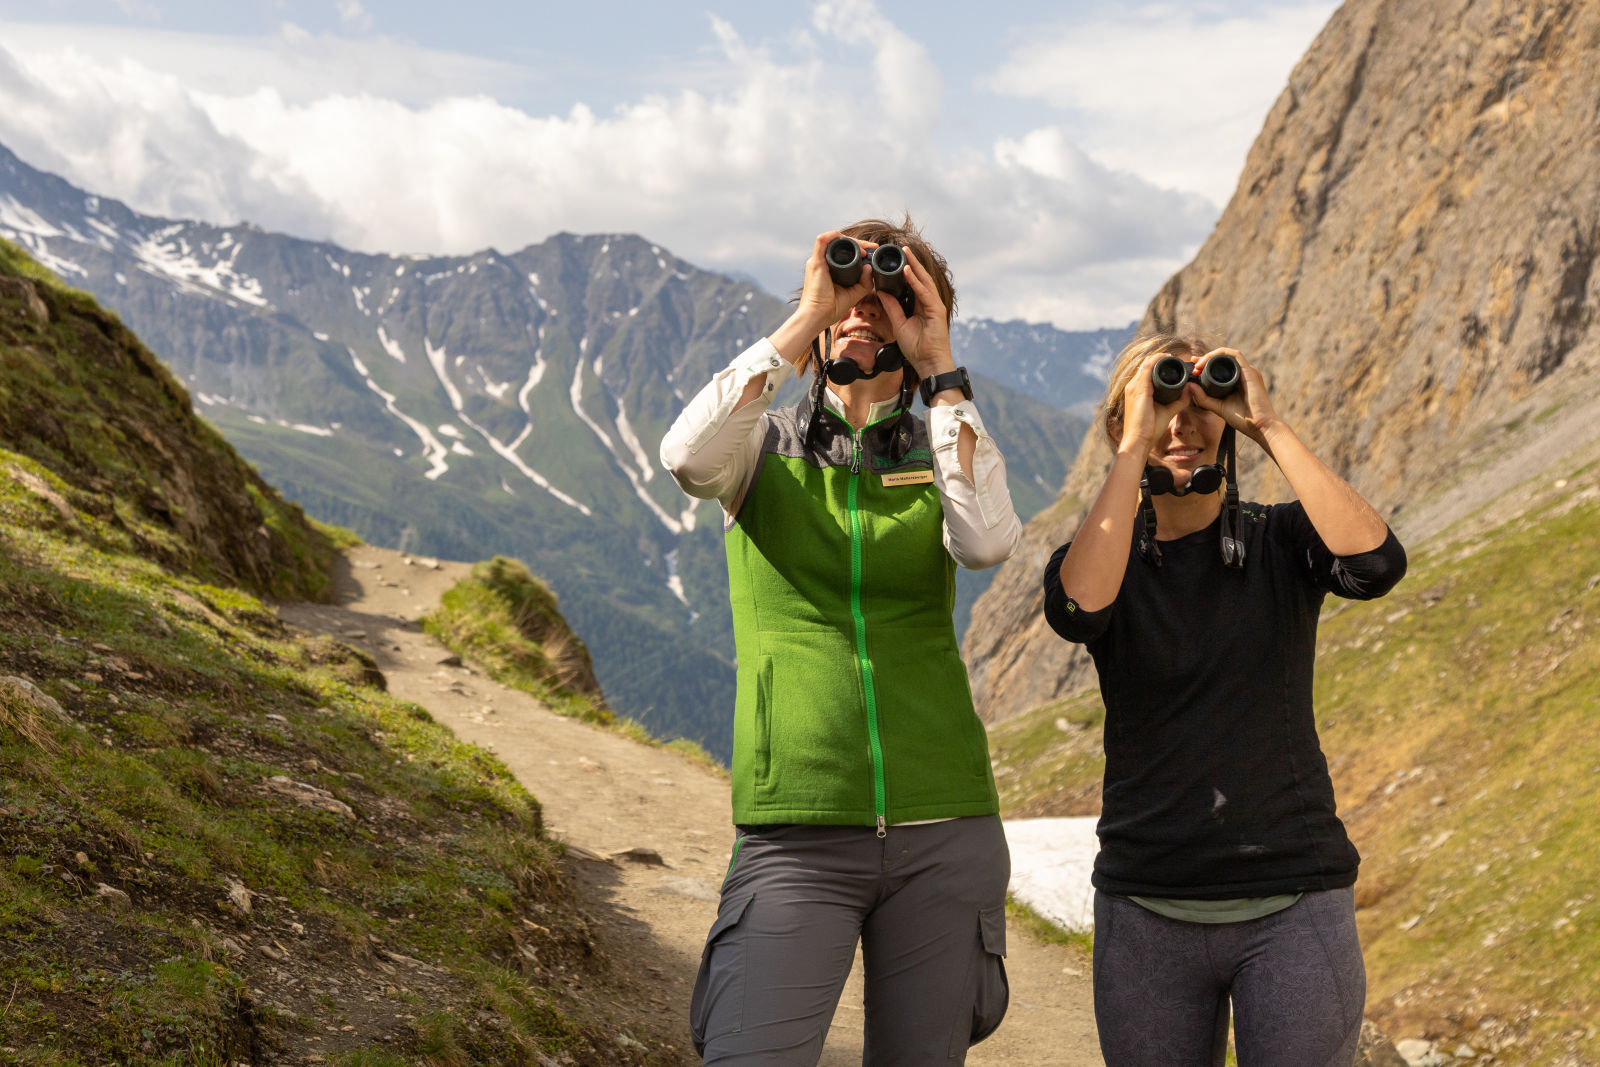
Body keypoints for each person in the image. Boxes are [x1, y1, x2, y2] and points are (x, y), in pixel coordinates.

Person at [660, 217, 1023, 1065]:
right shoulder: (761, 445)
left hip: (946, 827)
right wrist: (807, 315)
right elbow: (684, 455)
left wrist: (940, 369)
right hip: (796, 832)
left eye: (892, 293)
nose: (868, 306)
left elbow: (985, 541)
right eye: (849, 290)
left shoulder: (941, 447)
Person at [1041, 333, 1407, 1067]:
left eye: (1199, 403)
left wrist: (1265, 423)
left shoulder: (1282, 540)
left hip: (1293, 897)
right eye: (1161, 400)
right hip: (1148, 902)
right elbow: (1078, 609)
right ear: (1125, 424)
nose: (1182, 421)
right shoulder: (1105, 562)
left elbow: (1375, 564)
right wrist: (1131, 441)